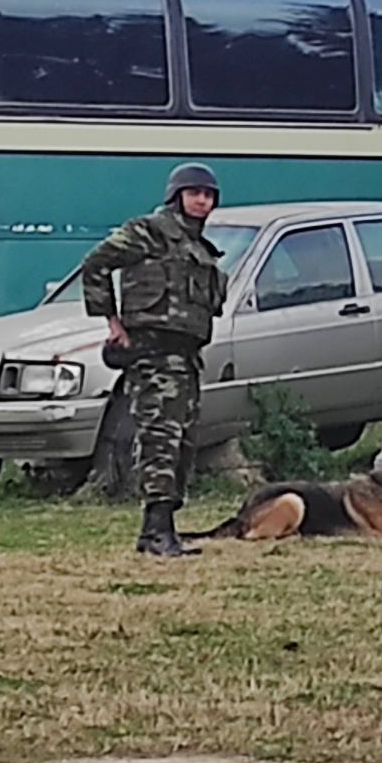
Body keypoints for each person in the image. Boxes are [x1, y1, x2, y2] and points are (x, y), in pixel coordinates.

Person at [79, 163, 227, 557]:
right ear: (176, 195)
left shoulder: (201, 247)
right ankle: (157, 531)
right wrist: (111, 322)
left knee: (182, 445)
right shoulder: (150, 232)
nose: (201, 201)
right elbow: (96, 263)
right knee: (159, 441)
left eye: (208, 195)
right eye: (194, 193)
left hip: (186, 358)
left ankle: (160, 531)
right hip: (153, 355)